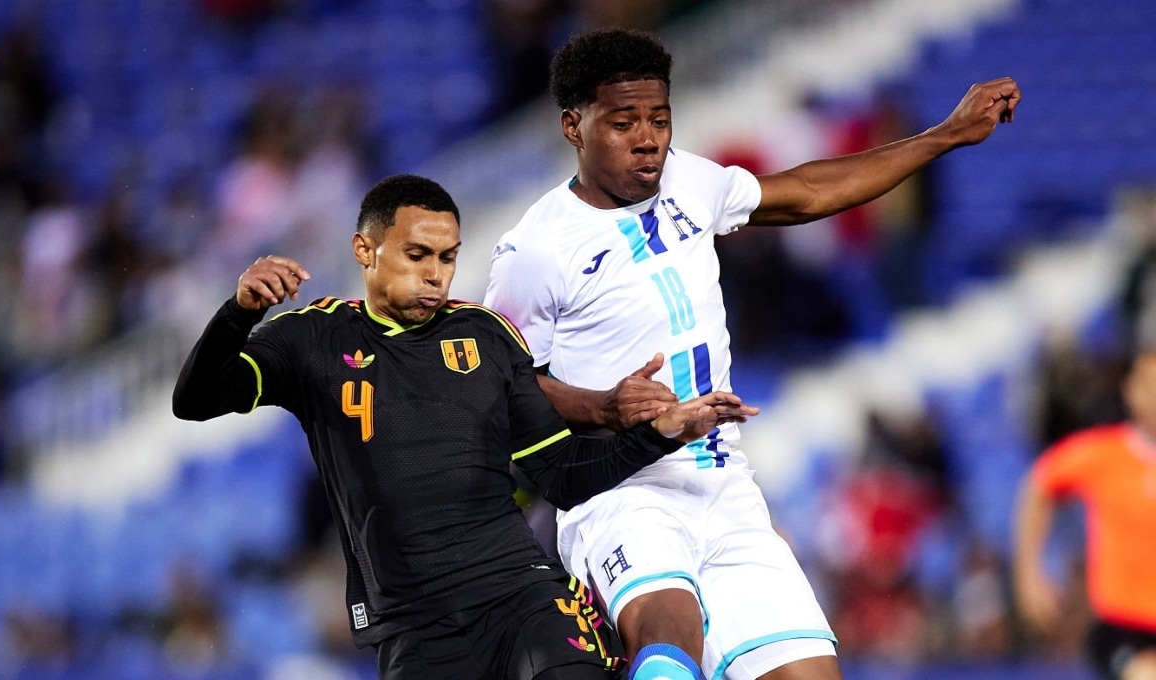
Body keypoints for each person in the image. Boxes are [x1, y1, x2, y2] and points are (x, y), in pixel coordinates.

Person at [483, 28, 1021, 680]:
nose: (649, 137)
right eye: (624, 122)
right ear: (574, 125)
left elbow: (807, 193)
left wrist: (944, 135)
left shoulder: (690, 181)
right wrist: (605, 406)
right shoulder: (535, 250)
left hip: (724, 488)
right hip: (619, 489)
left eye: (660, 117)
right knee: (667, 640)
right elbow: (500, 390)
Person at [172, 173, 757, 680]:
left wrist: (660, 435)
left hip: (520, 595)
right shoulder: (311, 338)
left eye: (448, 258)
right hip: (412, 628)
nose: (436, 275)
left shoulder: (486, 337)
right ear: (365, 249)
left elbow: (559, 475)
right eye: (417, 255)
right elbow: (195, 400)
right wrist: (240, 311)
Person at [1013, 351, 1156, 680]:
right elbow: (1038, 486)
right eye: (1147, 384)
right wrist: (1030, 575)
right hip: (1124, 626)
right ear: (1130, 392)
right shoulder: (1103, 454)